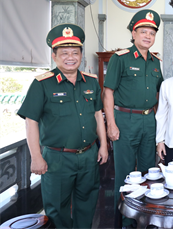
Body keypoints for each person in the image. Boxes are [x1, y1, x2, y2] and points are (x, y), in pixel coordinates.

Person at [17, 24, 108, 229]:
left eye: (75, 53)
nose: (70, 57)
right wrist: (36, 157)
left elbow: (97, 114)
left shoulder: (91, 82)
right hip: (57, 158)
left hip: (88, 156)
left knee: (87, 204)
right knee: (57, 209)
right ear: (54, 56)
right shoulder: (42, 84)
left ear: (81, 55)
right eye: (64, 53)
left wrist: (102, 145)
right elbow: (30, 121)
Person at [102, 9, 163, 229]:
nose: (148, 36)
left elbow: (160, 94)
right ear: (133, 33)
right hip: (125, 120)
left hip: (149, 121)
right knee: (126, 172)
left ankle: (144, 217)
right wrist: (111, 124)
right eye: (143, 31)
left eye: (152, 33)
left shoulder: (155, 62)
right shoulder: (121, 58)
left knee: (149, 171)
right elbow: (108, 92)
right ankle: (125, 220)